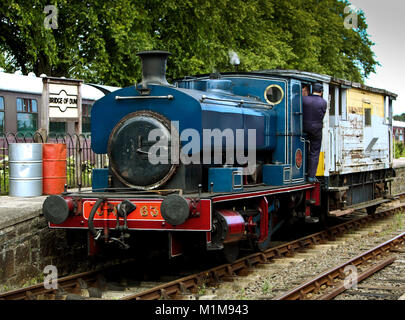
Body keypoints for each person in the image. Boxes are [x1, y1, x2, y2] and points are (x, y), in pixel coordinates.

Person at [302, 83, 327, 183]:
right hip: (316, 129)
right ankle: (311, 176)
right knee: (314, 152)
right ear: (321, 92)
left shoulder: (304, 99)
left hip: (303, 127)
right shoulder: (323, 102)